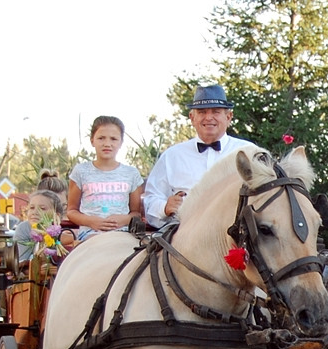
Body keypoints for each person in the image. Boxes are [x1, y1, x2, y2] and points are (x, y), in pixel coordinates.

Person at [143, 84, 253, 228]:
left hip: (237, 236)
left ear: (228, 117)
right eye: (202, 112)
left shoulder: (249, 153)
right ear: (192, 117)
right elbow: (150, 199)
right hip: (183, 239)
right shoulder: (172, 156)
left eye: (215, 111)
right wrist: (164, 207)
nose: (208, 117)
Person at [66, 116, 144, 240]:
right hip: (90, 234)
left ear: (121, 142)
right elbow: (71, 211)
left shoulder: (131, 174)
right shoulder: (81, 172)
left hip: (122, 234)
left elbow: (136, 213)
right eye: (101, 138)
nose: (107, 144)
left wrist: (124, 219)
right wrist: (91, 221)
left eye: (113, 139)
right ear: (92, 140)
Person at [15, 190, 69, 263]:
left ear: (56, 215)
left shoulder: (64, 233)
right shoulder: (23, 228)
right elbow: (20, 262)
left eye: (42, 208)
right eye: (32, 208)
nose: (35, 212)